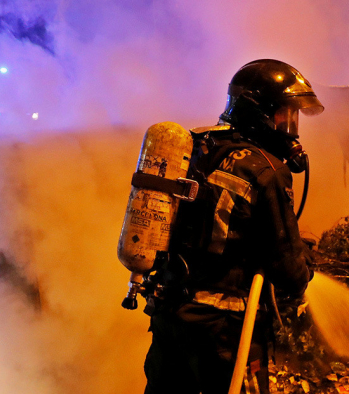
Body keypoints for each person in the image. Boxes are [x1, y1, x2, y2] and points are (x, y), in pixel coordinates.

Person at [142, 59, 324, 394]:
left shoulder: (196, 148)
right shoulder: (266, 170)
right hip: (224, 332)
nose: (291, 127)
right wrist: (305, 269)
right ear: (257, 112)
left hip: (170, 317)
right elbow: (287, 268)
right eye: (285, 114)